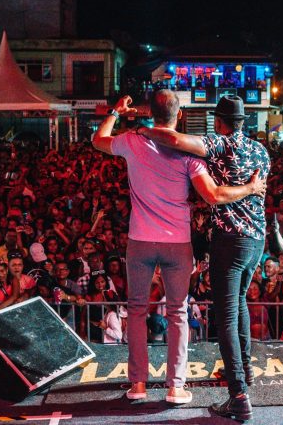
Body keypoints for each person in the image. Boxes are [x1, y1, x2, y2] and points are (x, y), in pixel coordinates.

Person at [92, 92, 266, 405]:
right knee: (178, 313)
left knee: (136, 311)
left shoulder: (132, 140)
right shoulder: (194, 155)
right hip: (181, 242)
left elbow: (98, 139)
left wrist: (117, 114)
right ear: (180, 115)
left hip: (141, 241)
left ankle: (138, 386)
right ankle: (176, 387)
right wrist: (252, 188)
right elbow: (211, 194)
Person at [142, 94, 271, 420]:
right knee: (239, 302)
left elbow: (171, 137)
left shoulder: (220, 144)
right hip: (257, 239)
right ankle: (244, 372)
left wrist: (143, 130)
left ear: (219, 121)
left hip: (230, 241)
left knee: (225, 316)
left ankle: (238, 395)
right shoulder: (261, 150)